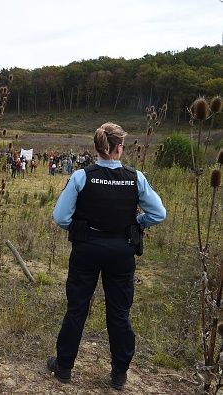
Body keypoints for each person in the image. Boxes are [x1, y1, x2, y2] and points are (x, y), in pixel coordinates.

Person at [47, 122, 166, 390]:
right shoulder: (136, 177)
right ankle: (119, 373)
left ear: (96, 148)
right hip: (122, 250)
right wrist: (138, 223)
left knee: (77, 308)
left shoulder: (81, 176)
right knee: (119, 312)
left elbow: (60, 217)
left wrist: (82, 226)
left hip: (87, 247)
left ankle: (64, 367)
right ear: (119, 148)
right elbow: (159, 213)